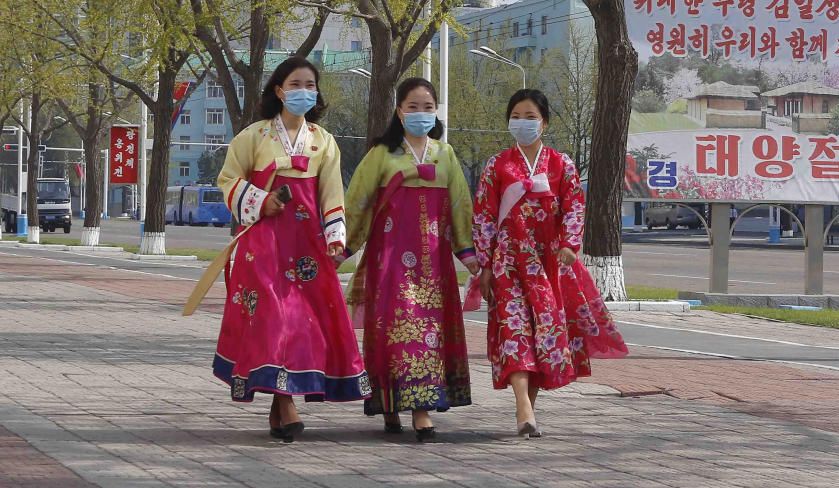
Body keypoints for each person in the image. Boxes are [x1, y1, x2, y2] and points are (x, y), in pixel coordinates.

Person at [212, 56, 370, 442]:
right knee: (273, 318)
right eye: (296, 84)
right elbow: (228, 179)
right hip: (264, 242)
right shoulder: (253, 136)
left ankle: (280, 403)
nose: (303, 91)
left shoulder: (324, 141)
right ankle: (285, 405)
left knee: (301, 322)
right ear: (279, 90)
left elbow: (331, 193)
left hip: (306, 245)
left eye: (310, 85)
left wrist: (335, 239)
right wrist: (259, 200)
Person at [472, 89, 628, 439]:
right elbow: (483, 215)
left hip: (547, 265)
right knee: (513, 332)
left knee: (544, 334)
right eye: (516, 115)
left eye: (530, 116)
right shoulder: (497, 165)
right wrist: (484, 263)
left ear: (544, 123)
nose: (522, 122)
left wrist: (571, 245)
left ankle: (529, 408)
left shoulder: (562, 164)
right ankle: (522, 408)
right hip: (507, 263)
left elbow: (574, 206)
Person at [342, 77, 478, 443]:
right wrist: (340, 247)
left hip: (434, 267)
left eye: (428, 108)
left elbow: (460, 207)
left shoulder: (445, 155)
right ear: (399, 112)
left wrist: (470, 255)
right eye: (413, 107)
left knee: (430, 336)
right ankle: (390, 403)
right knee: (398, 335)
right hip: (390, 265)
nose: (421, 114)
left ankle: (420, 410)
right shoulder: (381, 155)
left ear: (436, 113)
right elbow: (357, 203)